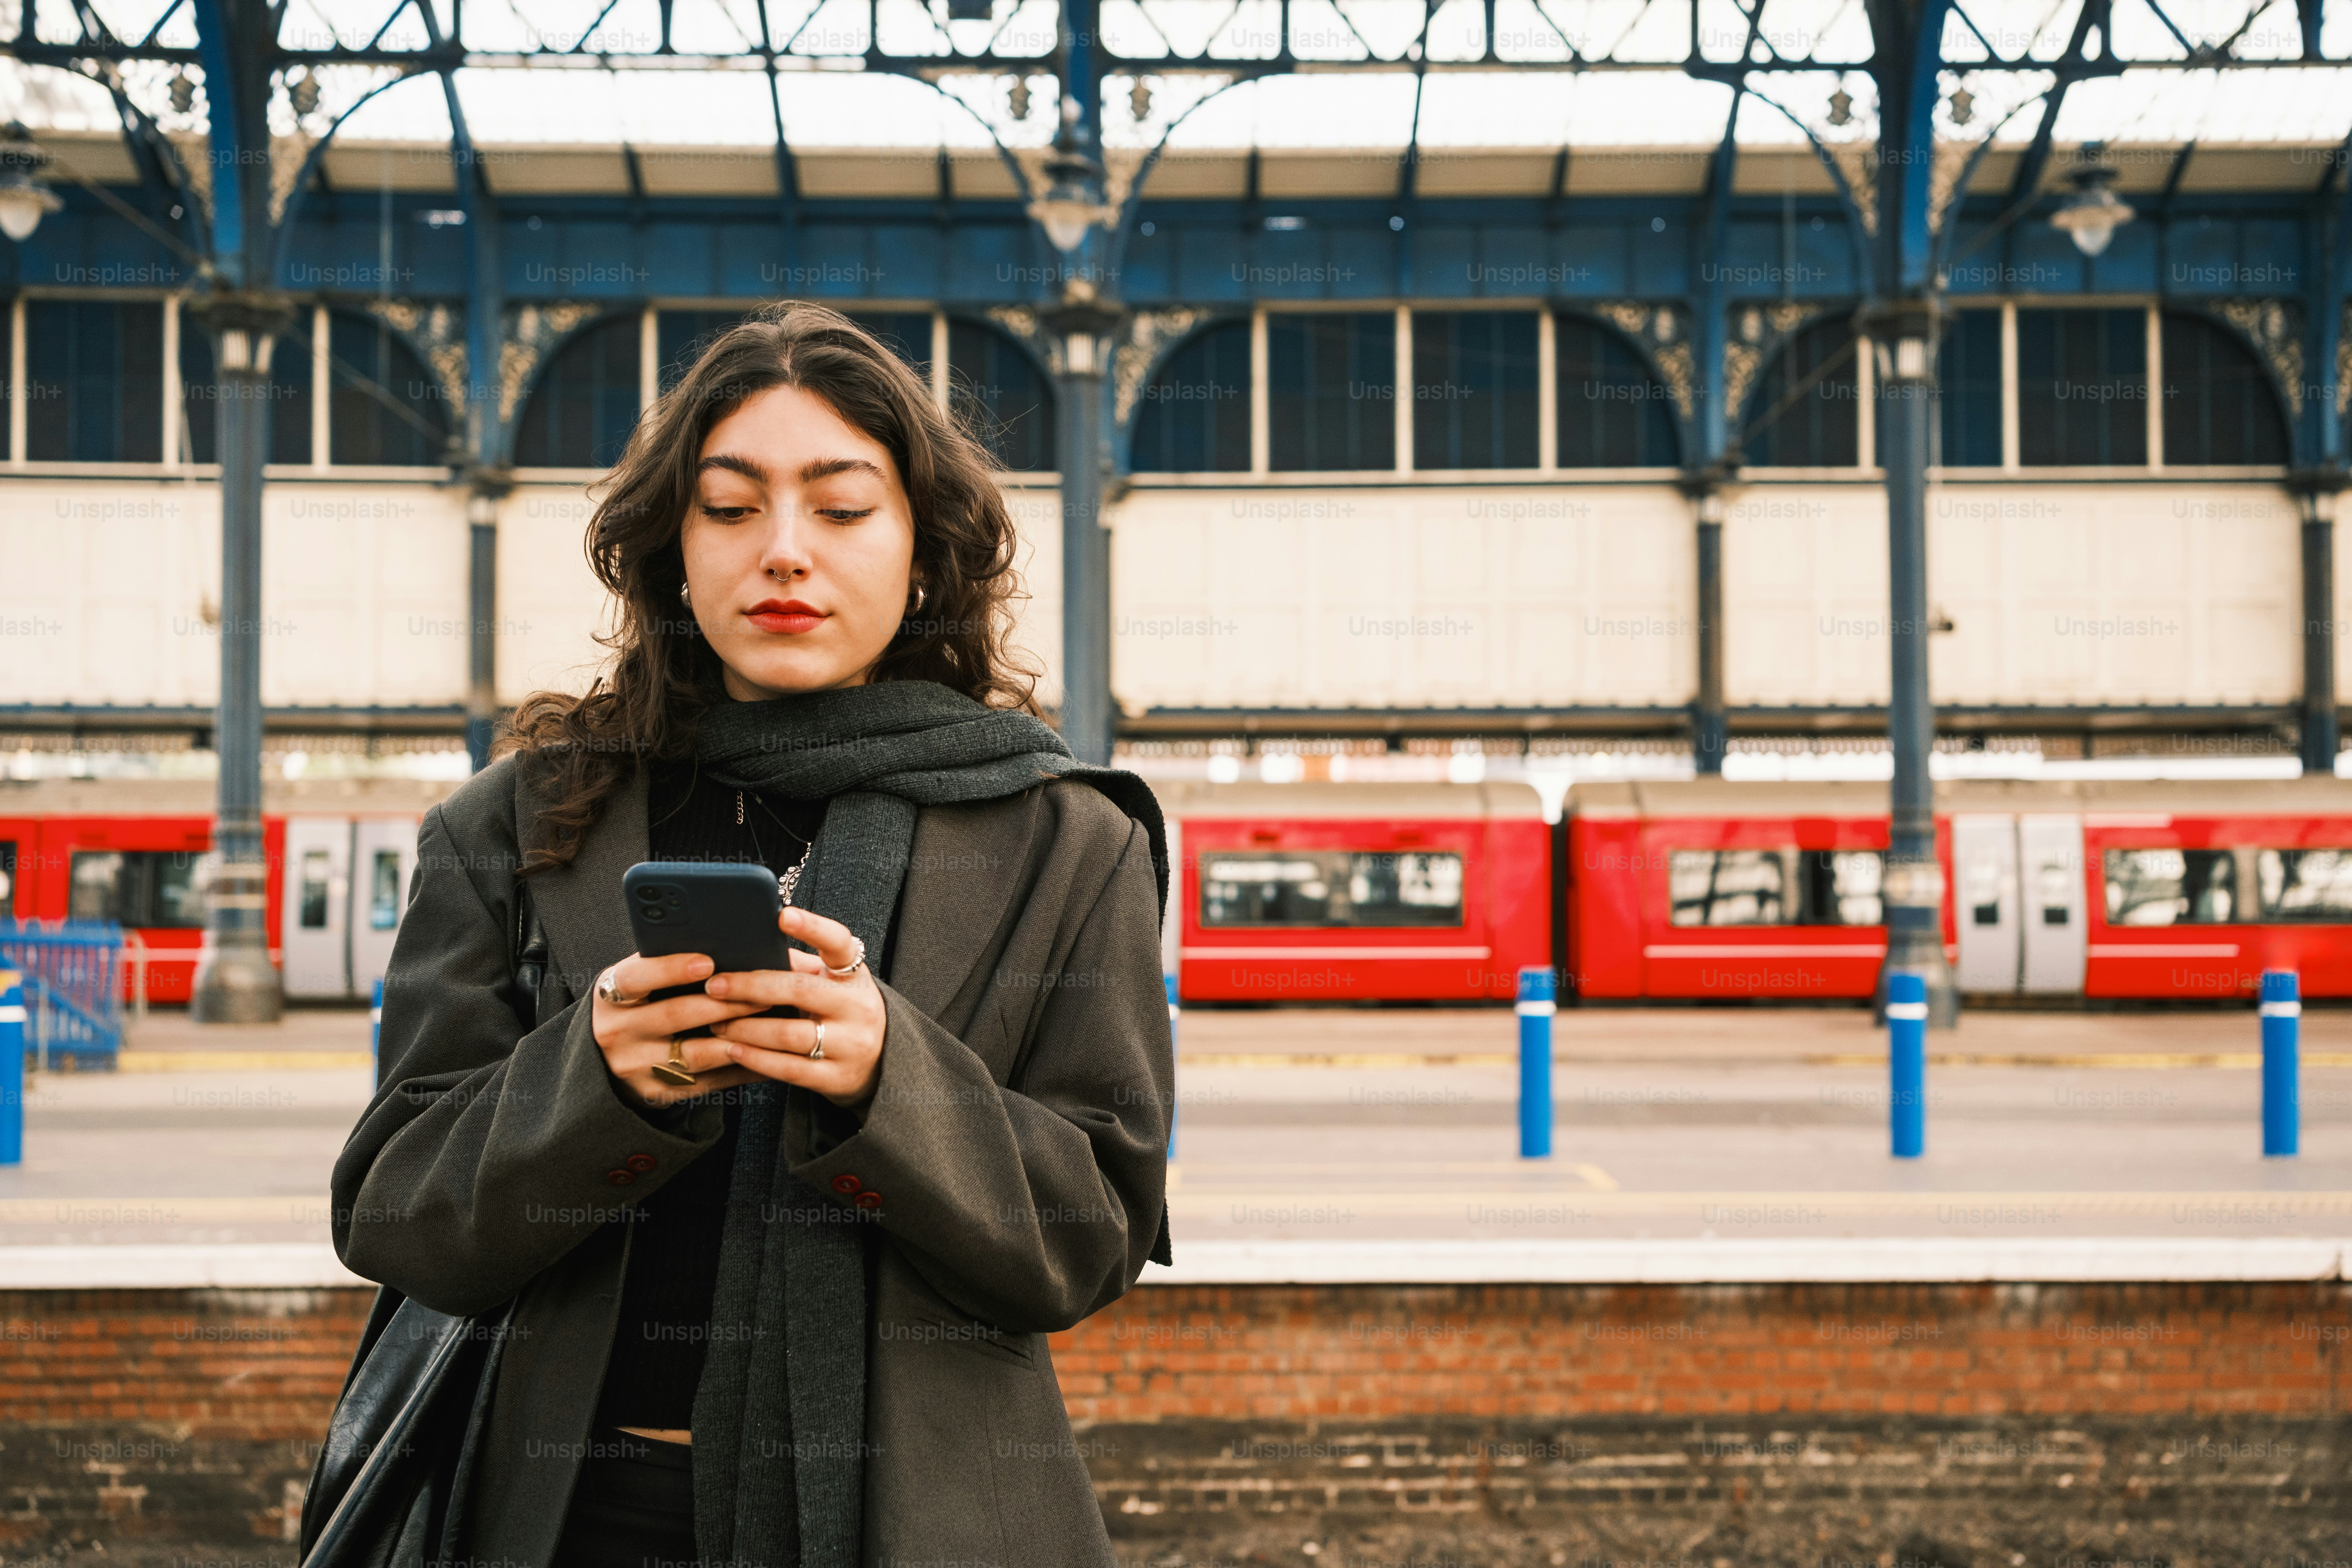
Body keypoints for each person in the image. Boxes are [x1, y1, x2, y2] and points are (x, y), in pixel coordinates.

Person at [332, 303, 1173, 1568]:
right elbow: (393, 1212)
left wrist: (892, 1078)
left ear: (925, 550)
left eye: (841, 508)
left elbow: (1090, 1238)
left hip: (915, 1529)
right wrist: (597, 1078)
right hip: (552, 1521)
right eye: (730, 507)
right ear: (670, 549)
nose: (785, 551)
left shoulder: (1067, 837)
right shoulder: (511, 825)